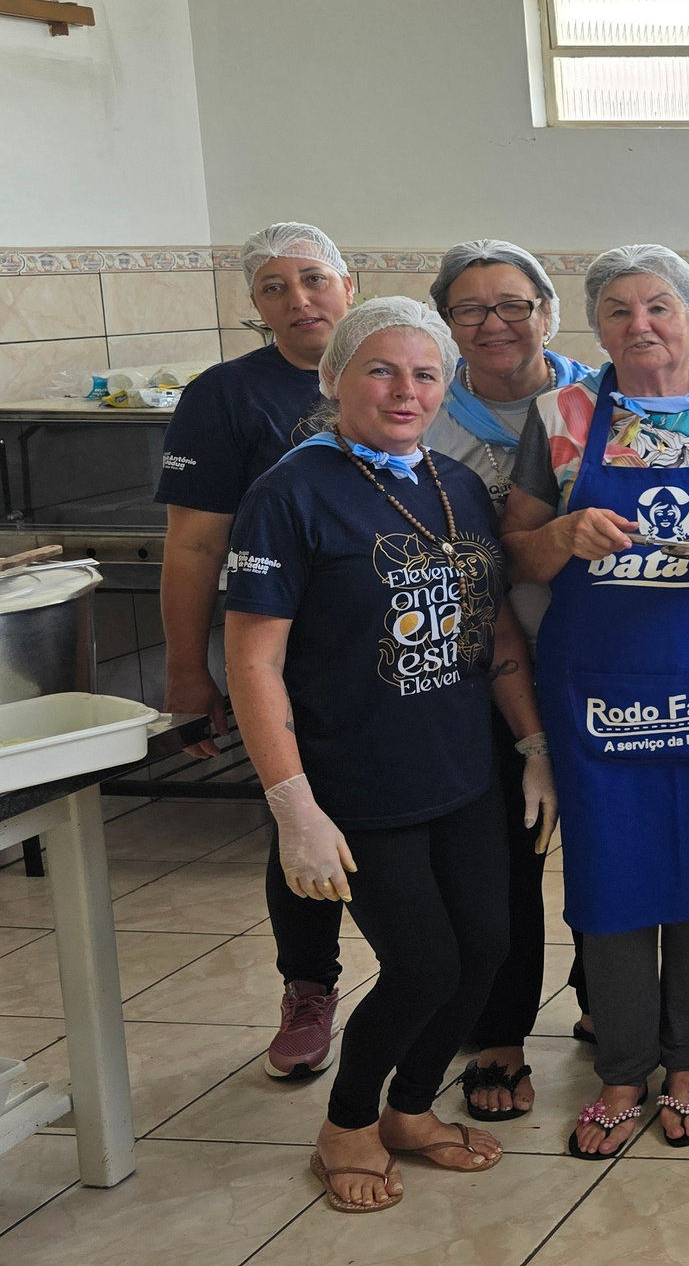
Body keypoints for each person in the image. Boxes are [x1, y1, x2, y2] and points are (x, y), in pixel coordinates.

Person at [224, 299, 552, 1212]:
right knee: (421, 967)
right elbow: (254, 658)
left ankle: (410, 1106)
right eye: (381, 369)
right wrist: (295, 807)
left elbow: (489, 629)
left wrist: (529, 742)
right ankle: (348, 1120)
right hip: (356, 781)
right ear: (335, 379)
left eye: (425, 373)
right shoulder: (289, 492)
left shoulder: (449, 479)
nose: (404, 390)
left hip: (462, 770)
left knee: (485, 948)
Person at [499, 245, 689, 1158]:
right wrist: (562, 531)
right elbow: (516, 547)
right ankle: (622, 1068)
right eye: (621, 310)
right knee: (613, 872)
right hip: (600, 685)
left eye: (661, 307)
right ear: (597, 326)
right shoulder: (561, 414)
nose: (642, 326)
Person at [157, 221, 352, 1081]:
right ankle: (308, 985)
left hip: (416, 654)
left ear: (348, 283)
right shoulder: (228, 395)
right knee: (298, 815)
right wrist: (184, 667)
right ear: (253, 305)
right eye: (274, 286)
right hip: (284, 658)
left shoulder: (408, 362)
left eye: (312, 278)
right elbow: (195, 545)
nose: (299, 299)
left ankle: (463, 990)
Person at [420, 240, 600, 1123]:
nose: (494, 323)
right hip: (476, 672)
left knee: (606, 836)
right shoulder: (427, 412)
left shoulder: (603, 402)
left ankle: (603, 990)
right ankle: (502, 1033)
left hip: (599, 653)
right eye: (470, 309)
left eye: (513, 304)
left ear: (547, 310)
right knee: (508, 853)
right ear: (447, 324)